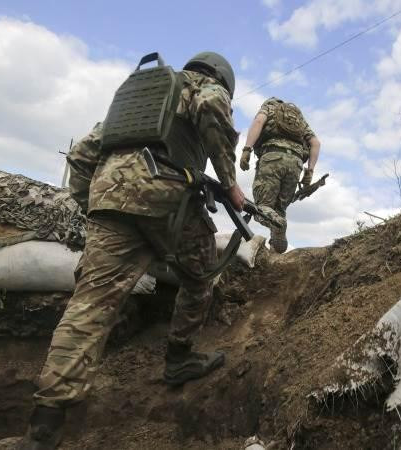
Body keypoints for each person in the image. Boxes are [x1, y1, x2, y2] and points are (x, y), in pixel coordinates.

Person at [17, 51, 245, 450]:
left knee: (89, 307)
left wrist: (96, 204)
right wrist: (229, 183)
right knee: (201, 273)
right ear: (223, 79)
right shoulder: (205, 88)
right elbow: (211, 105)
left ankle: (45, 425)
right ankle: (179, 359)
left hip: (108, 201)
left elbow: (81, 154)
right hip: (166, 197)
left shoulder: (141, 96)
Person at [239, 97, 320, 253]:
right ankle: (275, 251)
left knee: (262, 207)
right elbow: (316, 143)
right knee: (280, 210)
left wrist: (247, 149)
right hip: (296, 164)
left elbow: (258, 122)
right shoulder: (299, 119)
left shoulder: (269, 108)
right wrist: (310, 171)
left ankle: (279, 225)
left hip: (273, 157)